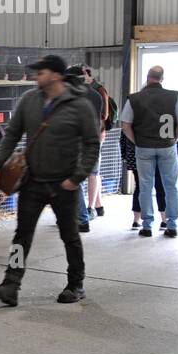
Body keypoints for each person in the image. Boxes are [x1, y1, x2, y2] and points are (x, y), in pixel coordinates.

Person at [0, 55, 100, 307]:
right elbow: (12, 134)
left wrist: (76, 178)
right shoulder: (29, 101)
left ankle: (75, 284)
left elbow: (92, 145)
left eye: (41, 72)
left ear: (56, 75)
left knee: (70, 236)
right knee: (21, 236)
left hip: (64, 185)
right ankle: (11, 284)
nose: (36, 76)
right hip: (32, 182)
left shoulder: (79, 106)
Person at [121, 65, 178, 238]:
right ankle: (171, 225)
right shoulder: (173, 96)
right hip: (167, 146)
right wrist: (175, 140)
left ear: (148, 78)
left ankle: (147, 225)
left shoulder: (134, 98)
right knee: (170, 186)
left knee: (145, 186)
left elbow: (125, 124)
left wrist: (136, 141)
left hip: (144, 147)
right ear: (162, 79)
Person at [68, 65, 105, 233]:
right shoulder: (96, 95)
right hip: (93, 141)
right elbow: (101, 119)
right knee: (92, 175)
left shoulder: (69, 96)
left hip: (75, 143)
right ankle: (90, 210)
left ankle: (82, 217)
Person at [80, 65, 111, 219]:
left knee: (93, 171)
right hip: (96, 133)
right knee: (94, 171)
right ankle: (98, 206)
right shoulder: (96, 90)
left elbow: (104, 115)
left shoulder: (98, 91)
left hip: (96, 134)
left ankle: (90, 207)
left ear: (87, 75)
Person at [119, 131, 165, 230]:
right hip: (157, 152)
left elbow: (123, 135)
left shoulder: (131, 116)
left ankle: (136, 220)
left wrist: (124, 156)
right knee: (160, 185)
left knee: (140, 187)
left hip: (134, 153)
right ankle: (164, 220)